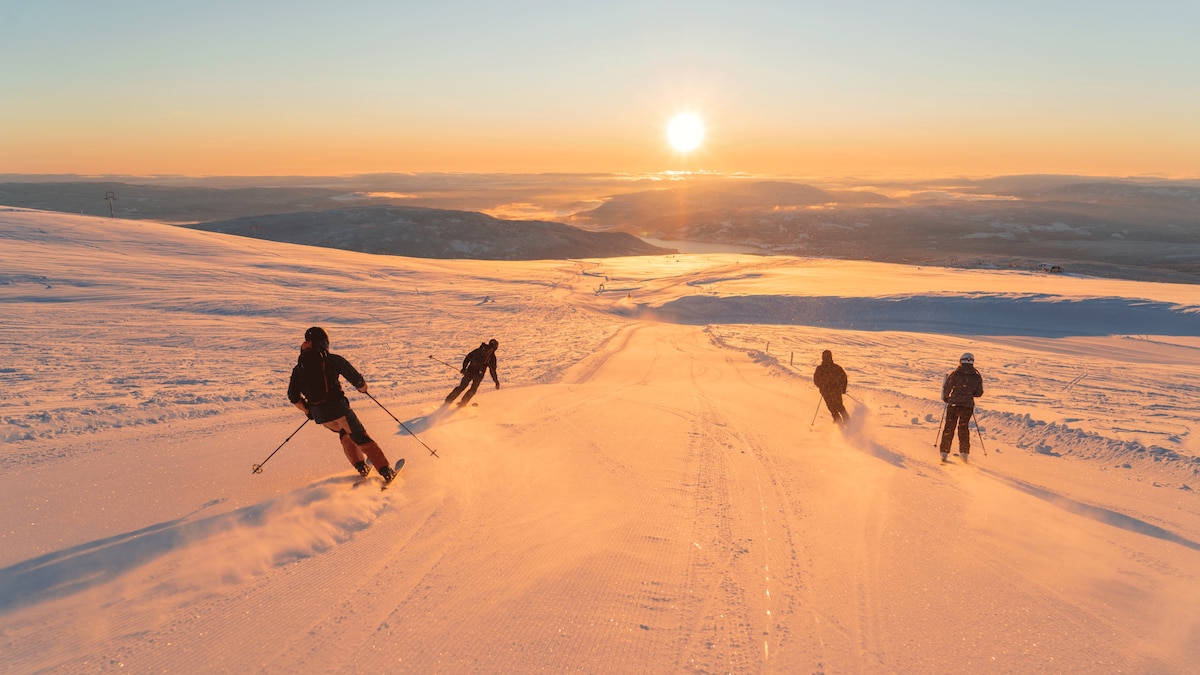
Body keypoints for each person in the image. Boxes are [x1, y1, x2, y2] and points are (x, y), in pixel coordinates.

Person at [288, 327, 401, 484]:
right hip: (339, 410)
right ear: (324, 342)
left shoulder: (299, 367)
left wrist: (308, 410)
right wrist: (362, 387)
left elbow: (293, 396)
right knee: (360, 437)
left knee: (344, 433)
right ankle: (386, 471)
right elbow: (355, 378)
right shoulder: (332, 360)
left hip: (321, 416)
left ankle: (361, 467)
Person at [939, 352, 984, 462]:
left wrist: (947, 398)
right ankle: (964, 454)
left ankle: (944, 453)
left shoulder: (956, 374)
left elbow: (947, 387)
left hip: (954, 404)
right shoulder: (976, 376)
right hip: (967, 406)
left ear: (961, 361)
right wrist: (969, 393)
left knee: (949, 427)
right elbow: (979, 393)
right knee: (963, 428)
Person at [445, 338, 500, 407]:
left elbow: (467, 358)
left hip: (469, 371)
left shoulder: (478, 350)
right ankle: (463, 403)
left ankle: (448, 400)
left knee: (461, 386)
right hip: (479, 375)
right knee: (473, 390)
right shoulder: (492, 357)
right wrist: (496, 381)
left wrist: (464, 368)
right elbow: (492, 371)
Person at [812, 349, 850, 425]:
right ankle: (844, 421)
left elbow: (843, 378)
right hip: (829, 391)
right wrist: (842, 388)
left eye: (827, 357)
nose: (826, 359)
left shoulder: (821, 369)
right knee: (836, 406)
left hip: (830, 391)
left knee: (833, 407)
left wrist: (842, 388)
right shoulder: (835, 368)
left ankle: (842, 421)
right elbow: (844, 378)